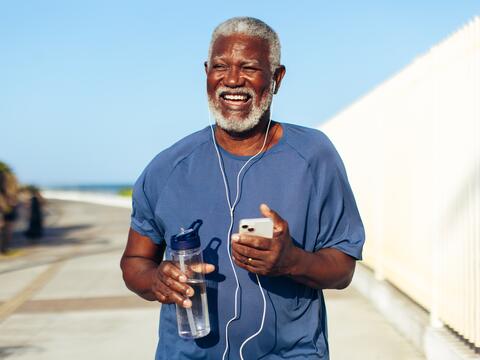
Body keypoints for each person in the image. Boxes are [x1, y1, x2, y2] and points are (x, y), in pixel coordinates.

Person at [121, 17, 365, 360]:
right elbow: (134, 262)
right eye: (220, 66)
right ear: (206, 72)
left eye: (249, 67)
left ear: (276, 78)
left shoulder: (313, 156)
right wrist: (155, 281)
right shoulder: (167, 167)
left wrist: (291, 260)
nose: (232, 80)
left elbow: (343, 269)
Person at [0, 162, 19, 254]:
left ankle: (5, 248)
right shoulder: (7, 177)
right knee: (7, 228)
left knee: (7, 229)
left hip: (8, 207)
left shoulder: (8, 177)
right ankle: (5, 248)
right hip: (6, 207)